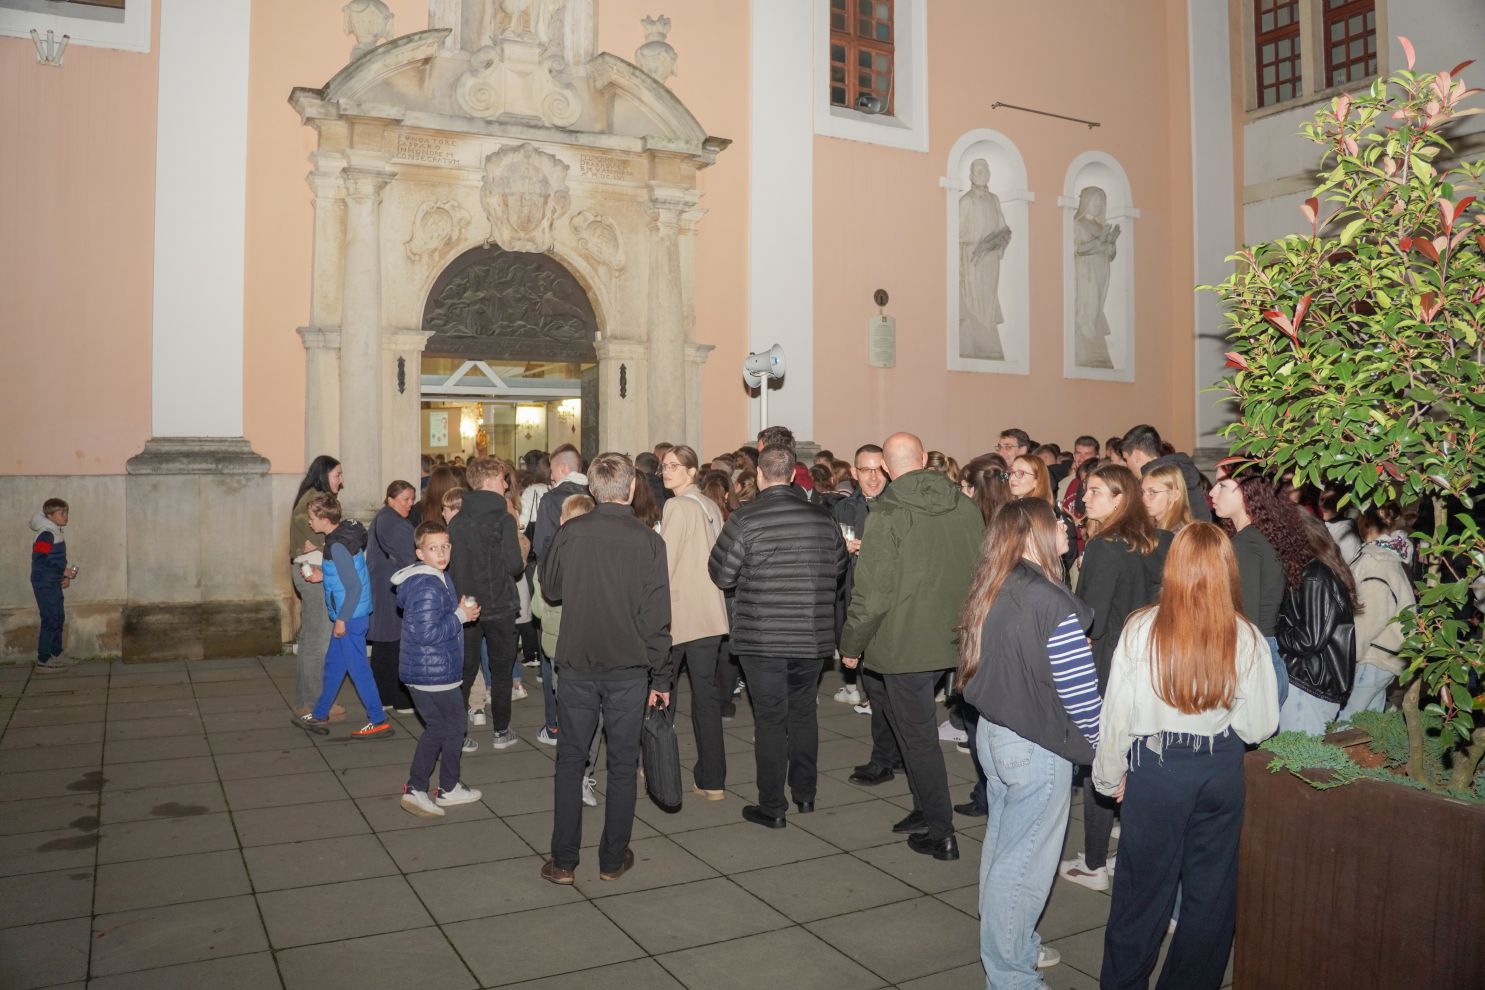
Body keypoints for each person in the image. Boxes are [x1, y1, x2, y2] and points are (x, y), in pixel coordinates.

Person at [1095, 523, 1280, 990]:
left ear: (1172, 566)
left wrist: (1108, 775)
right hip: (1219, 770)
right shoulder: (1247, 636)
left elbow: (1117, 713)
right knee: (1210, 898)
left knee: (1141, 893)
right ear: (1227, 570)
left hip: (1158, 770)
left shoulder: (1142, 628)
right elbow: (1259, 727)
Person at [959, 498, 1101, 982]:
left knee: (1005, 851)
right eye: (1055, 521)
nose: (1065, 526)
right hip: (1036, 749)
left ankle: (1012, 944)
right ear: (1033, 534)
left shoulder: (996, 582)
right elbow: (1081, 696)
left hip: (997, 737)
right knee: (1024, 867)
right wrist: (1105, 752)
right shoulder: (1051, 600)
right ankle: (1012, 974)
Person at [840, 432, 985, 859]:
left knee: (918, 737)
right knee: (912, 731)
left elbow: (872, 592)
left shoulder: (886, 512)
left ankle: (940, 831)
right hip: (955, 635)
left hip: (904, 643)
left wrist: (852, 644)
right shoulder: (966, 506)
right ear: (923, 458)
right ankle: (924, 810)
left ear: (885, 467)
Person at [540, 453, 672, 884]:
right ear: (631, 488)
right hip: (629, 668)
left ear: (592, 491)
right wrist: (662, 676)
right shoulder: (649, 541)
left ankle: (563, 861)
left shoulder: (571, 532)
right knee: (620, 763)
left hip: (578, 663)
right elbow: (657, 617)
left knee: (570, 761)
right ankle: (612, 859)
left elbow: (552, 590)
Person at [710, 443, 846, 828]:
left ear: (759, 475)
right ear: (791, 475)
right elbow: (838, 569)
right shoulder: (823, 519)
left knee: (770, 721)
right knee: (803, 714)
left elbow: (721, 574)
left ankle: (772, 806)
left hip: (762, 638)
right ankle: (805, 793)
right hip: (810, 636)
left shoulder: (745, 519)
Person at [1061, 463, 1172, 892]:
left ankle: (1093, 864)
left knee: (1101, 760)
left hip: (1112, 666)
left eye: (1094, 492)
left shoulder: (1106, 546)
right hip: (1156, 664)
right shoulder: (1163, 540)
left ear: (1118, 499)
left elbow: (1089, 617)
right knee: (1140, 753)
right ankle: (1127, 836)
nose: (1085, 498)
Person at [394, 521, 484, 818]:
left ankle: (444, 786)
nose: (442, 552)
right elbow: (427, 633)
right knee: (446, 727)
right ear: (420, 553)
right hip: (432, 671)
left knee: (448, 726)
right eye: (434, 548)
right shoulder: (428, 584)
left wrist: (457, 610)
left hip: (430, 669)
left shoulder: (437, 577)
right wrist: (459, 615)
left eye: (446, 546)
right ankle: (420, 787)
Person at [659, 444, 731, 800]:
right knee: (706, 697)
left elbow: (664, 566)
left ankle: (657, 764)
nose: (666, 471)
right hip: (709, 614)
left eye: (674, 465)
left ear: (692, 471)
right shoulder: (710, 504)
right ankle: (713, 778)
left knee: (661, 695)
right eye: (664, 466)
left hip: (676, 616)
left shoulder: (676, 505)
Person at [293, 494, 395, 739]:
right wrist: (321, 576)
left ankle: (378, 719)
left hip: (349, 617)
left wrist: (341, 620)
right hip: (352, 614)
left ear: (325, 519)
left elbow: (353, 587)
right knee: (334, 666)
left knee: (359, 669)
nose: (309, 523)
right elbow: (346, 576)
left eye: (312, 518)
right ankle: (320, 712)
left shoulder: (337, 546)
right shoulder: (341, 538)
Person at [832, 445, 902, 780]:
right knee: (875, 689)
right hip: (855, 605)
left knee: (887, 691)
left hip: (891, 611)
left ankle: (887, 757)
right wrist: (841, 552)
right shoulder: (843, 509)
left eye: (878, 469)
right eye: (865, 470)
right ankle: (891, 754)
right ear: (854, 473)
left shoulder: (899, 508)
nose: (872, 477)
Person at [448, 456, 526, 750]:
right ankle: (501, 731)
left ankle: (459, 734)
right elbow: (515, 566)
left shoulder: (457, 521)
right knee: (502, 669)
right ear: (491, 479)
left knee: (465, 671)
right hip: (500, 605)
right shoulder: (503, 519)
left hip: (467, 606)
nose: (506, 485)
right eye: (504, 479)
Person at [1211, 473, 1300, 705]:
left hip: (1250, 661)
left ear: (1246, 492)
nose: (1212, 492)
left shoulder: (1246, 543)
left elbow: (1243, 619)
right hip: (1266, 654)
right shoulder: (1260, 535)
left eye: (1222, 485)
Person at [533, 493, 599, 806]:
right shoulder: (602, 554)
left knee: (568, 712)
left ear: (562, 521)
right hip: (595, 647)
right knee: (595, 716)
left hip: (559, 647)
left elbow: (538, 606)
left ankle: (570, 773)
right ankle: (585, 774)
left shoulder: (550, 555)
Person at [1276, 511, 1359, 734]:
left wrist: (1274, 633)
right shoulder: (1317, 570)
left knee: (1302, 765)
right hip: (1312, 685)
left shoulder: (1315, 575)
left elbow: (1309, 639)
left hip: (1308, 686)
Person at [1337, 505, 1415, 719]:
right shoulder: (1389, 555)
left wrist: (1351, 655)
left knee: (1346, 725)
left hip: (1372, 655)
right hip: (1386, 653)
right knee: (1367, 725)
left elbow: (1370, 616)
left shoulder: (1376, 561)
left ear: (1365, 522)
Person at [289, 456, 347, 720]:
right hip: (312, 572)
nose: (341, 480)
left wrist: (321, 544)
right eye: (337, 475)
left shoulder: (314, 496)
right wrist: (322, 540)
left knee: (312, 639)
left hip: (308, 569)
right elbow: (305, 520)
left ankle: (307, 701)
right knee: (318, 640)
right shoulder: (313, 500)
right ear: (324, 475)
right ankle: (313, 703)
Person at [367, 481, 418, 714]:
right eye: (405, 499)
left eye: (411, 499)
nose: (410, 504)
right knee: (396, 644)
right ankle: (400, 698)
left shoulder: (383, 517)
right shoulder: (396, 524)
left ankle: (383, 696)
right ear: (391, 499)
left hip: (382, 586)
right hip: (393, 589)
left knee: (384, 644)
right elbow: (410, 557)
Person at [1120, 425, 1212, 523]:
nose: (1127, 465)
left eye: (1126, 459)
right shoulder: (1182, 471)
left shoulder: (1164, 478)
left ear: (1136, 455)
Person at [1007, 453, 1078, 576]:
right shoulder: (1015, 509)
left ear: (1037, 480)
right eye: (1012, 472)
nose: (1013, 478)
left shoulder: (1040, 513)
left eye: (1021, 473)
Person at [30, 497, 79, 673]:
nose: (65, 516)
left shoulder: (55, 531)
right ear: (49, 515)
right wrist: (63, 572)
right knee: (50, 619)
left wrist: (61, 576)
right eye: (61, 513)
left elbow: (53, 560)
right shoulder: (46, 534)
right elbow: (40, 560)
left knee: (58, 617)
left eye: (66, 512)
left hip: (52, 581)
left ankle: (56, 654)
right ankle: (43, 660)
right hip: (44, 582)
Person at [532, 447, 589, 564]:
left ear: (562, 468)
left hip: (561, 571)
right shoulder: (595, 495)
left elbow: (541, 545)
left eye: (552, 471)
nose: (551, 477)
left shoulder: (550, 500)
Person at [1141, 462, 1194, 533]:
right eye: (1143, 492)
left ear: (1174, 495)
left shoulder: (1178, 535)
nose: (1143, 499)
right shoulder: (1154, 526)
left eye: (1152, 492)